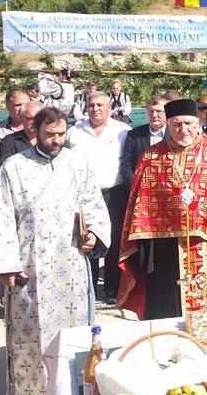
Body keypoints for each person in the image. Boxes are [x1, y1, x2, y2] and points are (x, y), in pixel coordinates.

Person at [0, 107, 110, 392]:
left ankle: (74, 387)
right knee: (30, 337)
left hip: (71, 267)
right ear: (33, 132)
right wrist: (6, 264)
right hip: (29, 268)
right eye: (50, 134)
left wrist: (95, 236)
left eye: (61, 134)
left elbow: (95, 205)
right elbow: (0, 215)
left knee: (73, 334)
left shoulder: (78, 163)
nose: (56, 140)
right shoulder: (14, 167)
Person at [117, 99, 207, 320]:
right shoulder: (151, 157)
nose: (183, 129)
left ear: (198, 122)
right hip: (164, 248)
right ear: (168, 125)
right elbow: (139, 204)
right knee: (167, 309)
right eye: (176, 124)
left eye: (189, 123)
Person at [66, 91, 131, 302]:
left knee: (112, 240)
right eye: (91, 105)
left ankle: (111, 288)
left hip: (114, 192)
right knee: (88, 238)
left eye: (100, 105)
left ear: (109, 107)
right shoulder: (74, 132)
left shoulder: (122, 130)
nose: (95, 108)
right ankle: (89, 287)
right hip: (84, 195)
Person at [119, 95, 169, 188]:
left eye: (158, 111)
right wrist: (135, 187)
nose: (154, 115)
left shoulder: (174, 134)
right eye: (151, 111)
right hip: (140, 190)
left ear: (167, 112)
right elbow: (126, 165)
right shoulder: (134, 135)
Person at [0, 100, 43, 167]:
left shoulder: (53, 139)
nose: (34, 122)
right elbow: (5, 167)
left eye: (39, 118)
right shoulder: (9, 141)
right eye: (30, 118)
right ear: (21, 119)